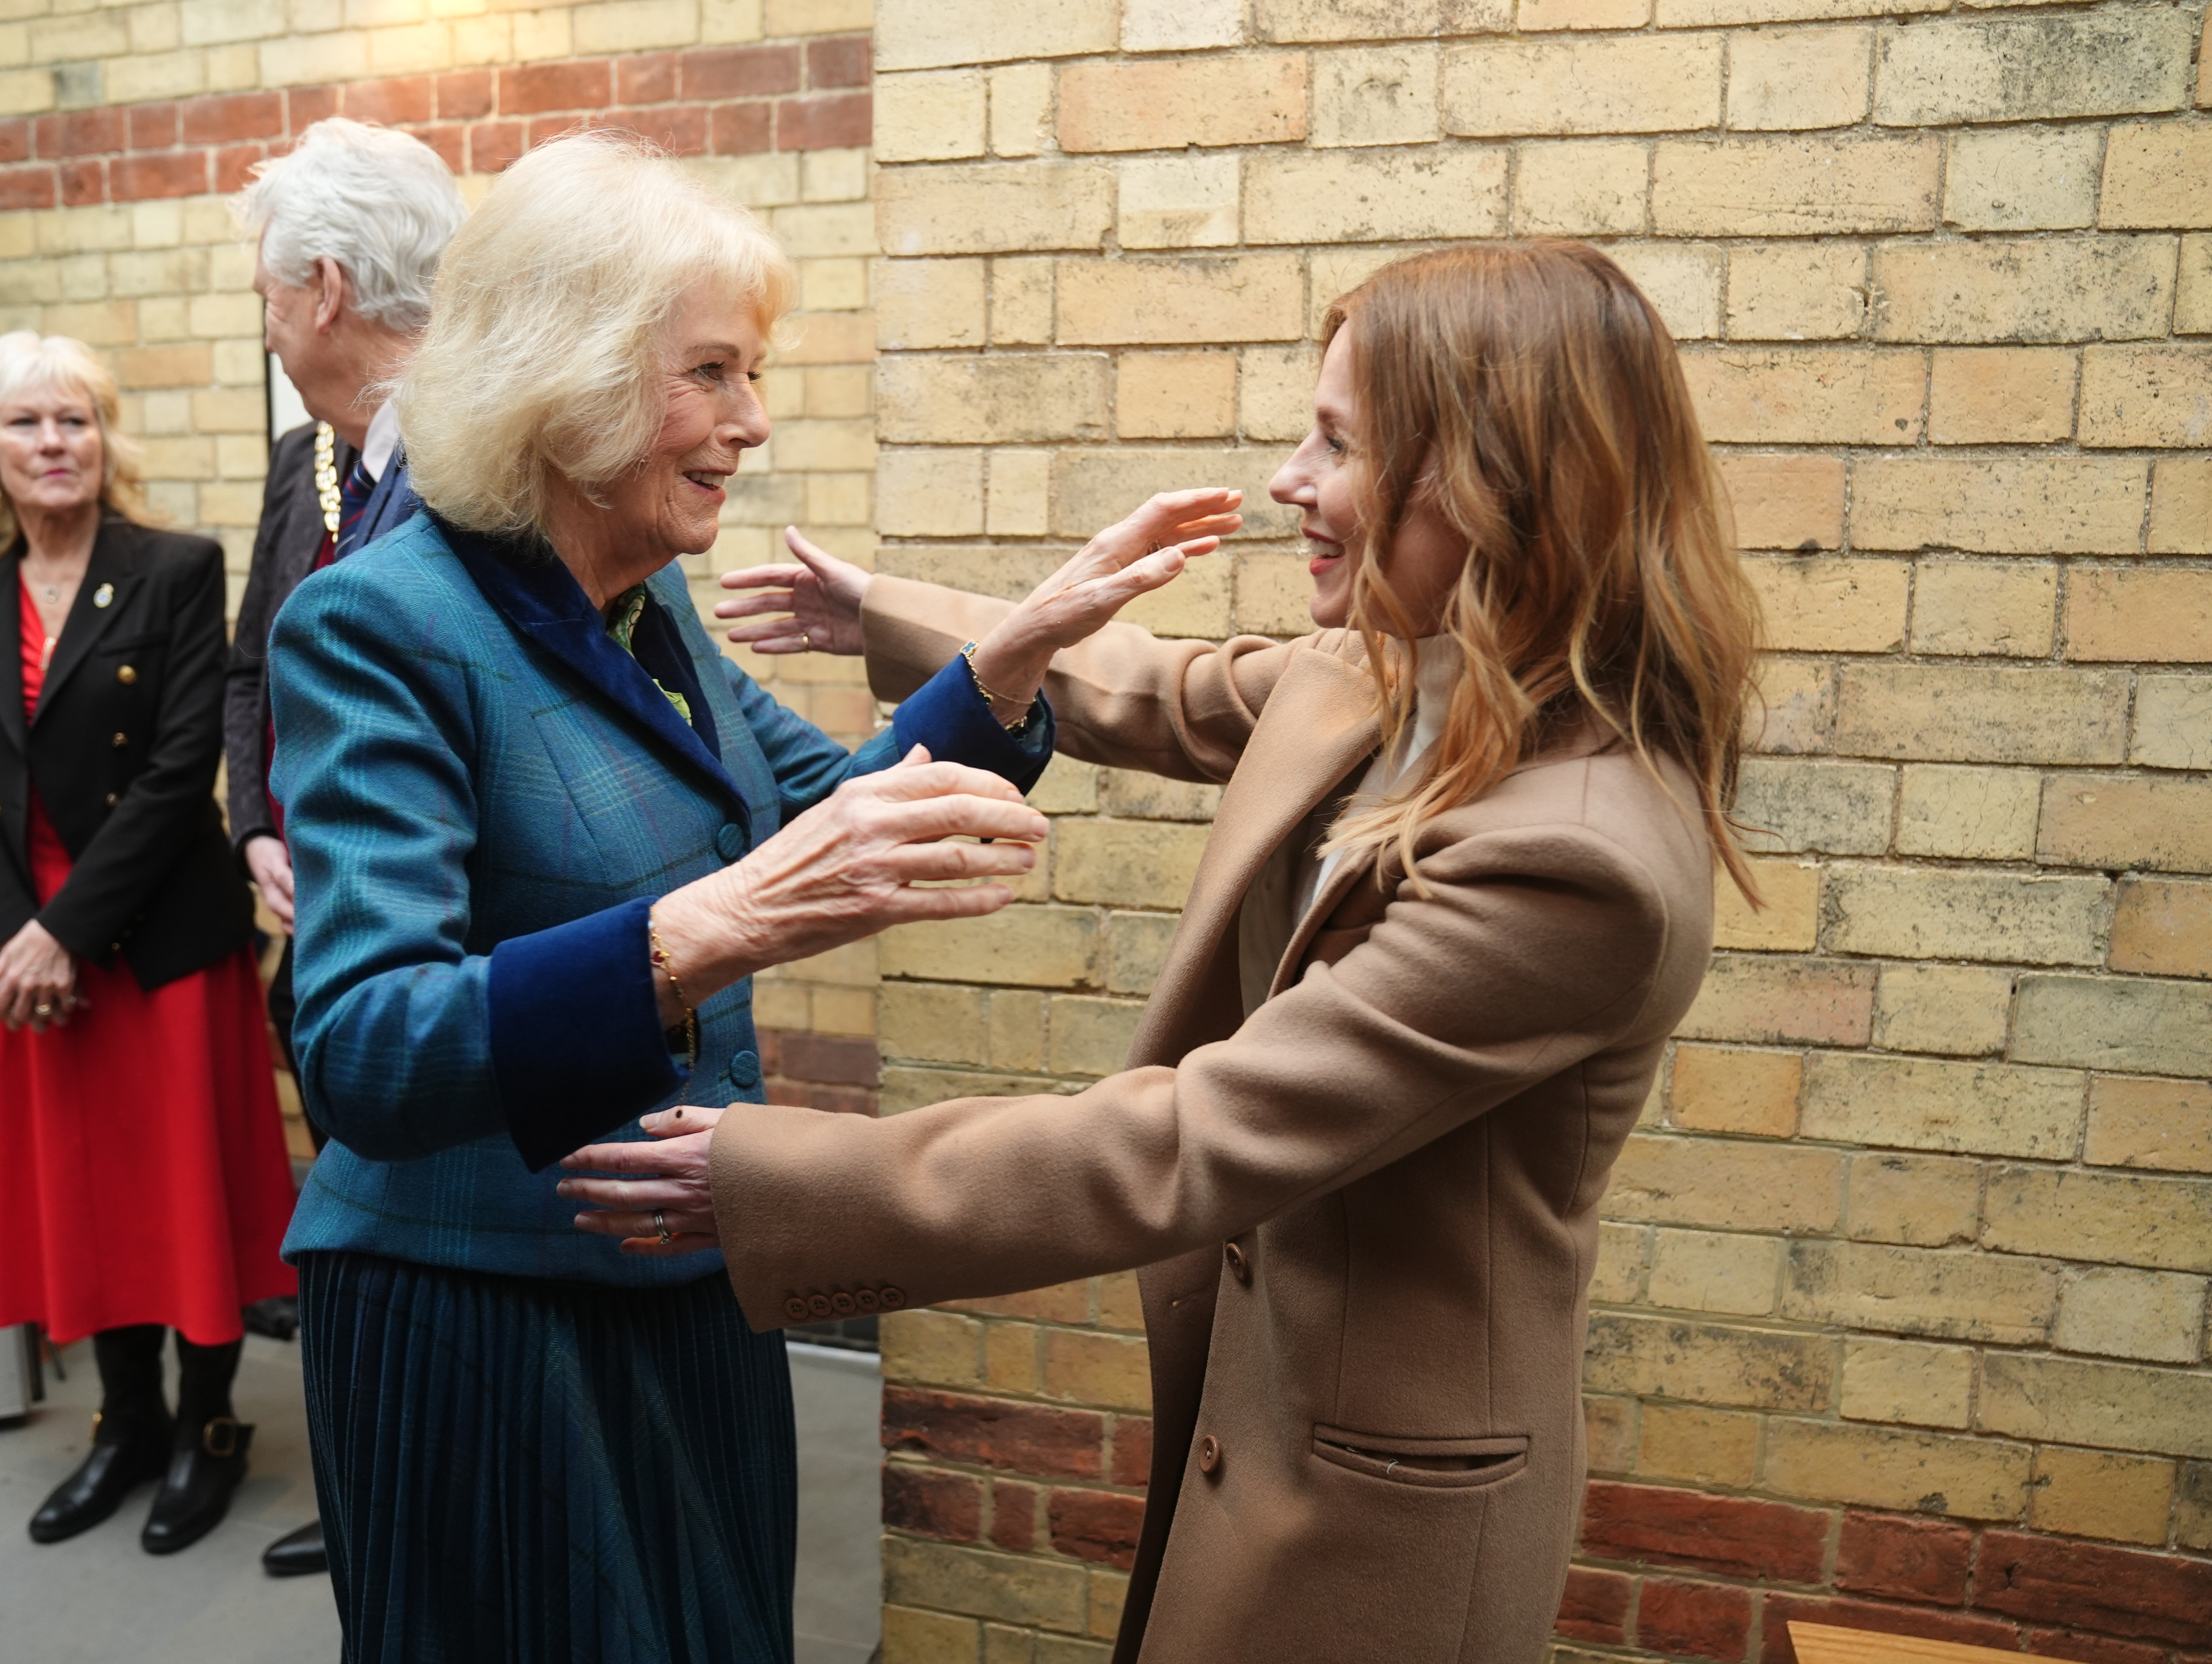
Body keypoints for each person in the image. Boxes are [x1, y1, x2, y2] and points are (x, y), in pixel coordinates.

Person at [560, 240, 1764, 1664]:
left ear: (1485, 483)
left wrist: (773, 1179)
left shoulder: (1579, 860)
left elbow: (1199, 1134)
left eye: (1337, 443)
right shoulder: (1407, 659)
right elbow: (1169, 689)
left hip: (1383, 1507)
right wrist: (906, 621)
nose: (1288, 484)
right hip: (1265, 1413)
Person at [266, 130, 1225, 1661]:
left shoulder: (643, 606)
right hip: (488, 1315)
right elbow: (367, 1050)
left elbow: (823, 808)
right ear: (568, 375)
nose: (752, 425)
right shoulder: (380, 624)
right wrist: (724, 924)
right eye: (711, 374)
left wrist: (1017, 651)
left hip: (689, 1277)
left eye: (752, 375)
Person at [0, 331, 300, 1556]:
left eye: (74, 420)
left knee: (182, 1193)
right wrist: (9, 940)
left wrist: (64, 936)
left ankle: (211, 1428)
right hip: (30, 946)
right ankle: (125, 1424)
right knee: (83, 1195)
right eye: (27, 422)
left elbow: (183, 766)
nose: (52, 444)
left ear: (106, 437)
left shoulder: (174, 569)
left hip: (154, 940)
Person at [222, 120, 464, 1580]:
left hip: (428, 961)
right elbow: (258, 668)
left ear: (319, 287)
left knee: (413, 1248)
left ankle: (411, 1503)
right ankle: (374, 1484)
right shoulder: (314, 462)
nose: (265, 323)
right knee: (366, 1247)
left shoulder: (459, 468)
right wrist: (261, 825)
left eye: (263, 294)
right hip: (320, 926)